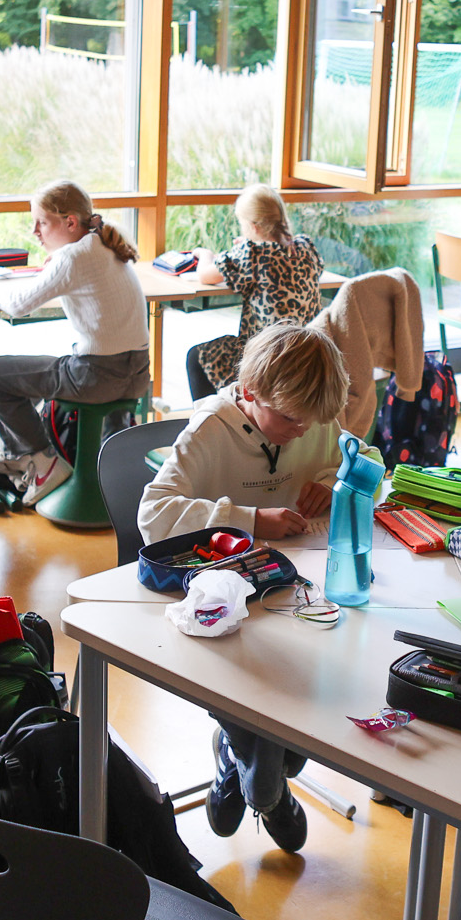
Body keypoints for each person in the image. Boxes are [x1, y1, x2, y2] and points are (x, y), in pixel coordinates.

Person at [138, 325, 351, 855]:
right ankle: (266, 790)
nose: (303, 431)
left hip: (293, 594)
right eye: (291, 420)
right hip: (216, 604)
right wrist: (249, 520)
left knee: (311, 677)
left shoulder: (309, 413)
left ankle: (238, 756)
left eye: (313, 421)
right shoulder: (212, 428)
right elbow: (154, 513)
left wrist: (333, 481)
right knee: (274, 686)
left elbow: (358, 458)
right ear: (251, 392)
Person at [0, 181, 151, 505]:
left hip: (97, 377)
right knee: (46, 369)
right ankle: (111, 479)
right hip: (138, 374)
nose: (35, 231)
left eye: (42, 222)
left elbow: (17, 305)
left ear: (70, 222)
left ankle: (42, 462)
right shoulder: (104, 243)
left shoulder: (73, 256)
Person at [186, 184, 324, 398]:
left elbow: (206, 275)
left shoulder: (252, 253)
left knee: (196, 357)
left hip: (266, 358)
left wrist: (205, 254)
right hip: (307, 357)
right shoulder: (306, 247)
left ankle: (214, 417)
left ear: (254, 227)